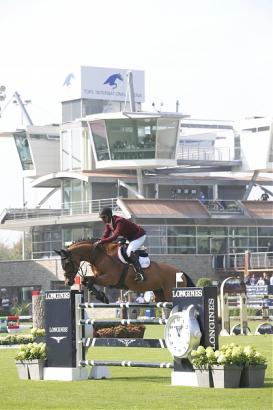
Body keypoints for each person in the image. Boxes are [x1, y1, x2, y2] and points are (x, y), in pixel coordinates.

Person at [96, 207, 147, 282]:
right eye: (101, 218)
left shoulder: (119, 221)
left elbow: (114, 236)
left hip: (139, 236)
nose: (102, 220)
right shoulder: (108, 224)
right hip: (130, 238)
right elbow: (105, 236)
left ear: (109, 215)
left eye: (104, 217)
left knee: (129, 252)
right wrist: (99, 242)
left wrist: (102, 241)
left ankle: (140, 273)